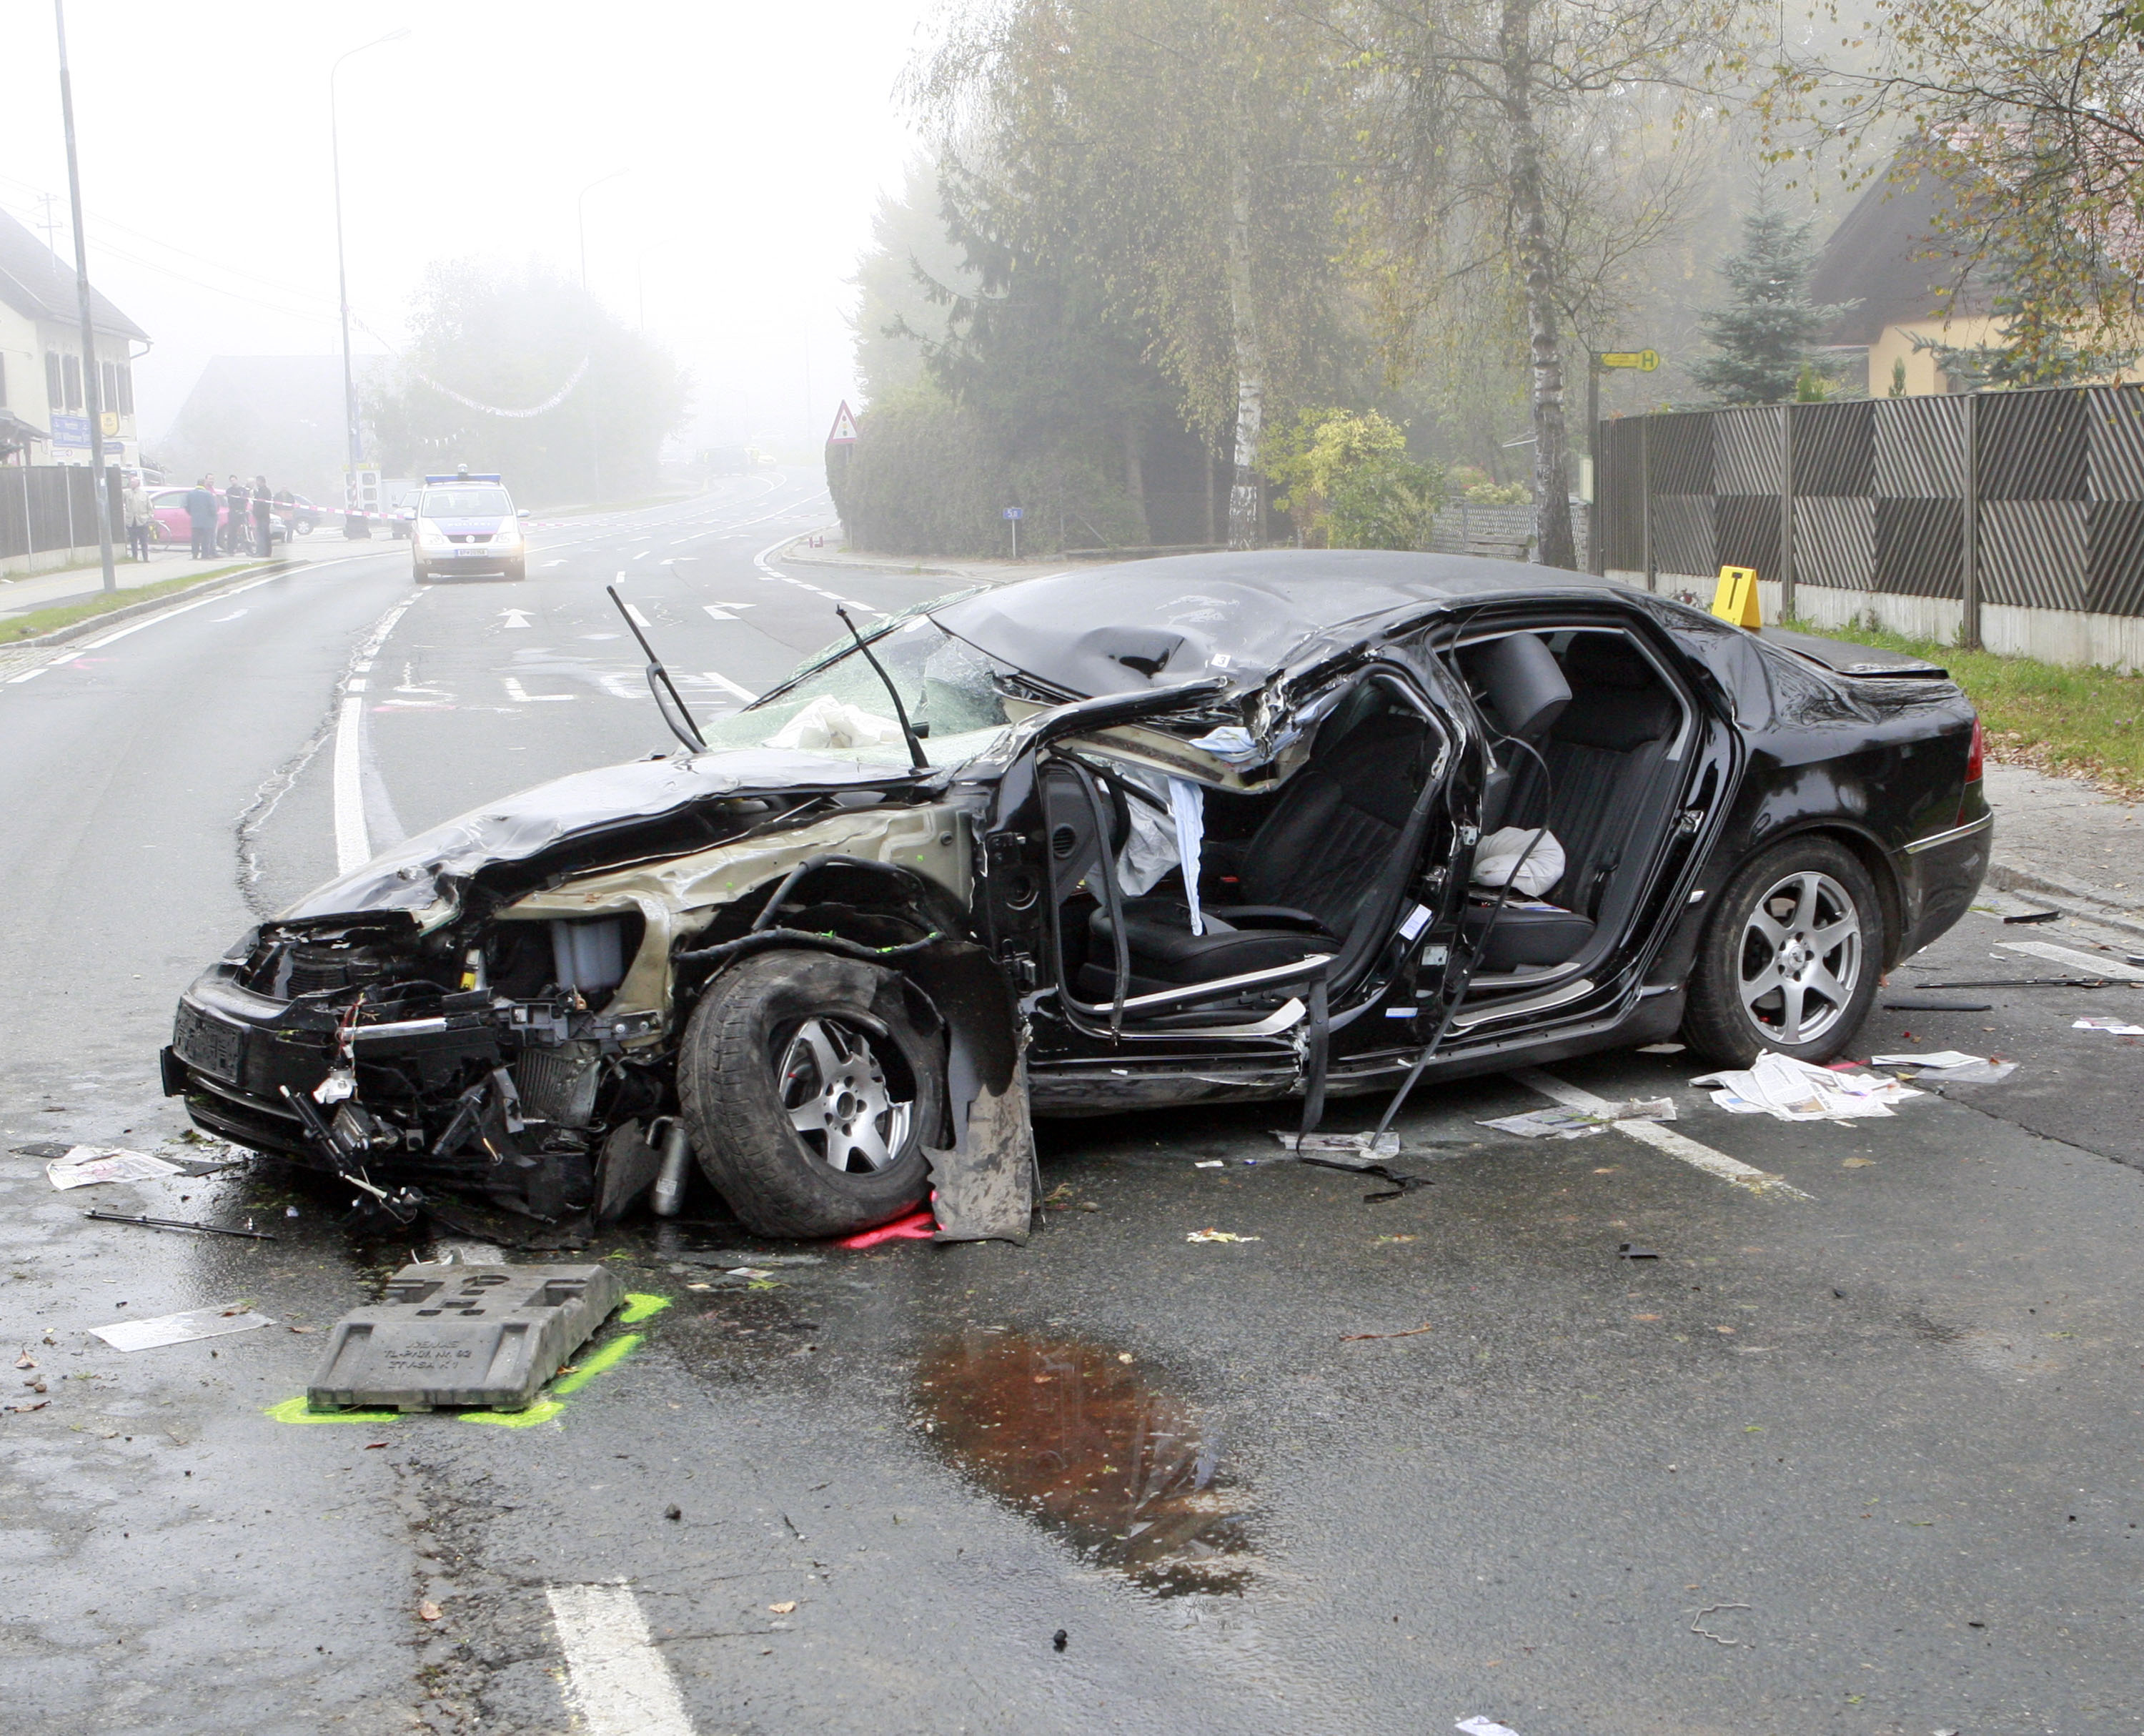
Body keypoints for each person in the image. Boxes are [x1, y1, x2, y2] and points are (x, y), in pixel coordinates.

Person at [186, 475, 218, 560]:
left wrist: (192, 514)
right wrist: (213, 515)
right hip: (207, 521)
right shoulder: (208, 494)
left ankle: (194, 555)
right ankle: (204, 555)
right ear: (204, 484)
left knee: (195, 540)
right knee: (206, 539)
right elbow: (213, 508)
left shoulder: (190, 494)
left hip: (195, 521)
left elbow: (187, 507)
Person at [124, 475, 152, 562]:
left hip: (142, 521)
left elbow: (150, 508)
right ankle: (134, 558)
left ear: (138, 484)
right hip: (131, 521)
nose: (131, 484)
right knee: (133, 541)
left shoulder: (144, 494)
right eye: (131, 482)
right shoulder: (126, 493)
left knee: (144, 541)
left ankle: (145, 558)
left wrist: (148, 517)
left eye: (133, 482)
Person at [223, 474, 250, 555]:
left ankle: (248, 549)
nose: (233, 482)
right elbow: (231, 501)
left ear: (237, 480)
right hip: (233, 513)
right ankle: (231, 549)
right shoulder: (229, 490)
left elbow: (245, 500)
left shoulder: (243, 490)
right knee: (232, 532)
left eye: (234, 480)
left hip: (242, 512)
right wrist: (239, 500)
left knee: (246, 531)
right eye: (231, 480)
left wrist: (241, 503)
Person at [253, 475, 274, 557]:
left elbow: (260, 504)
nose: (256, 483)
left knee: (262, 535)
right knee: (264, 535)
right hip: (262, 516)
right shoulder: (262, 491)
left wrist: (256, 512)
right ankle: (266, 552)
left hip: (262, 517)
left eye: (258, 481)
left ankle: (262, 552)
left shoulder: (264, 491)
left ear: (261, 482)